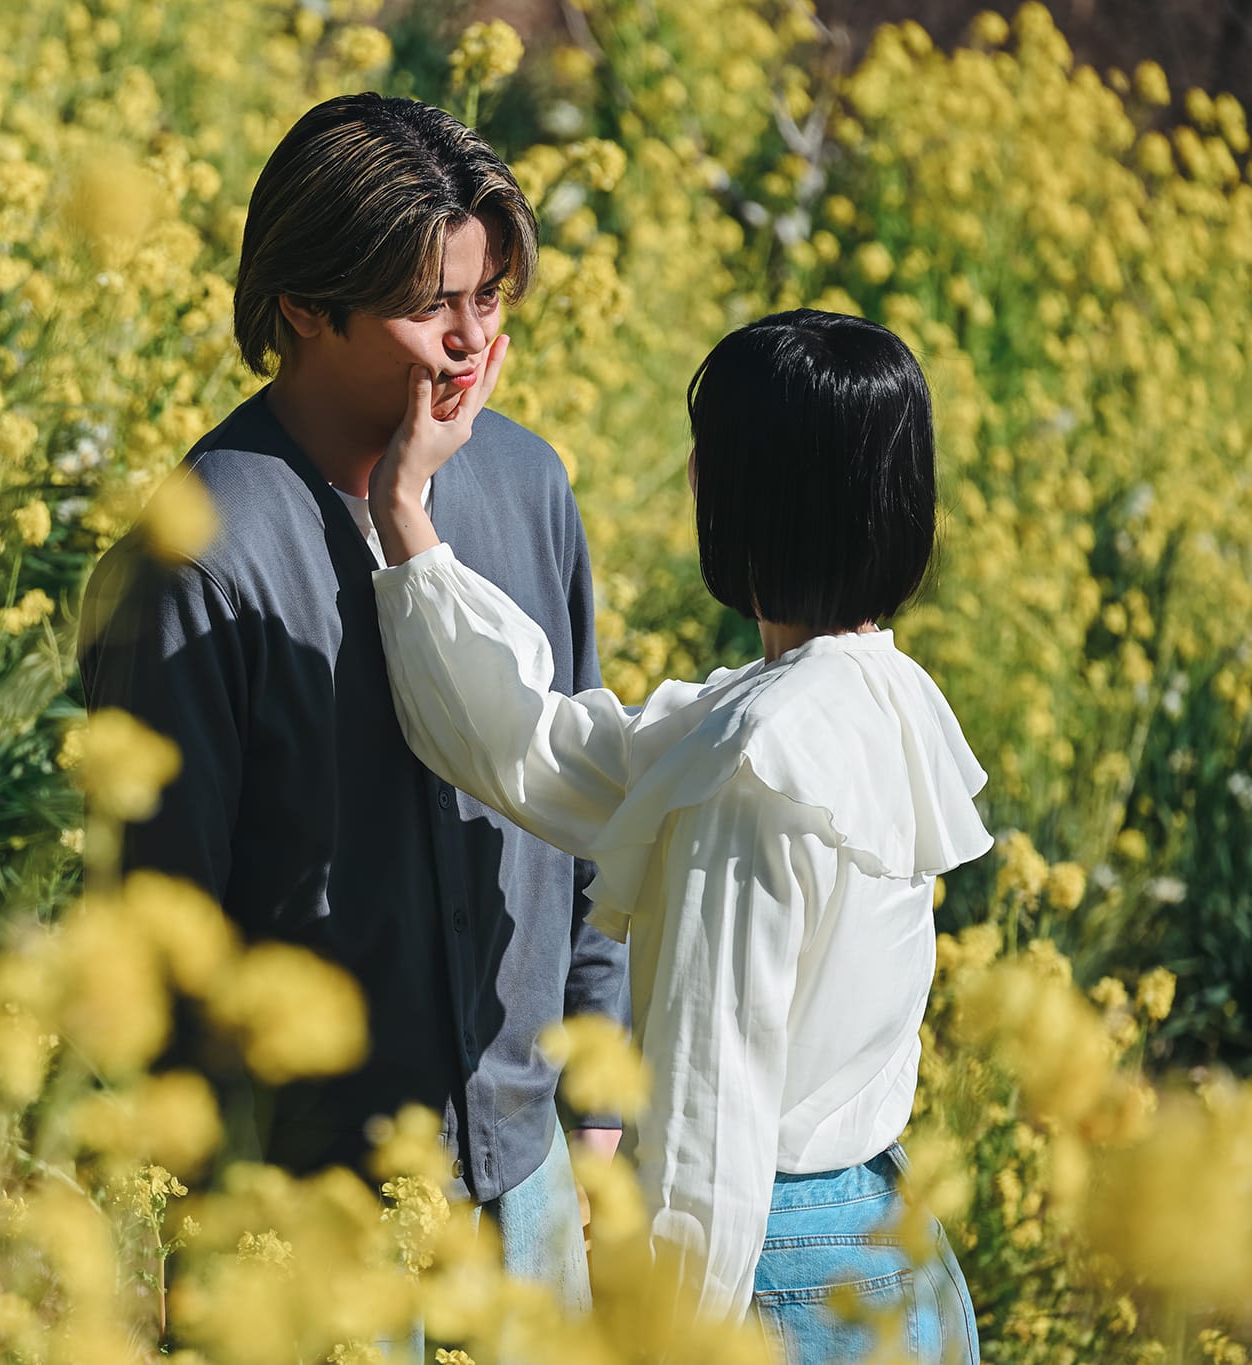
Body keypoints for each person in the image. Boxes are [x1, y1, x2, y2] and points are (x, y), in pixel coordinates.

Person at [78, 93, 630, 1320]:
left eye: (487, 300)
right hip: (307, 1219)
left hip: (534, 1175)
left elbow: (586, 811)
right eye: (430, 307)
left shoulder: (530, 485)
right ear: (303, 309)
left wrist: (593, 1116)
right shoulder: (198, 557)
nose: (468, 344)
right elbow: (155, 935)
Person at [363, 309, 988, 1362]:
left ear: (752, 495)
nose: (692, 475)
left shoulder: (749, 770)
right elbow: (549, 751)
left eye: (711, 453)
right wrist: (405, 517)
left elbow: (708, 1112)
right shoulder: (871, 697)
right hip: (883, 1246)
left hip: (769, 1279)